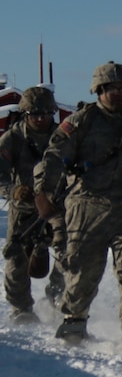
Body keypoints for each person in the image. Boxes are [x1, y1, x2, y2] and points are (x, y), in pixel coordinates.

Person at [34, 63, 122, 351]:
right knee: (83, 270)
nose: (118, 93)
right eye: (111, 89)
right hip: (87, 207)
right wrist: (43, 193)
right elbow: (53, 156)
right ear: (99, 91)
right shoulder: (81, 121)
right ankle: (74, 319)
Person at [0, 86, 68, 322]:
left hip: (58, 208)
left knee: (69, 254)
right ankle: (21, 308)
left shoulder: (64, 138)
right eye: (34, 114)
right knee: (16, 257)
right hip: (24, 209)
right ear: (25, 114)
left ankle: (56, 298)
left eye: (45, 114)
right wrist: (12, 190)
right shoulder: (12, 139)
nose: (40, 119)